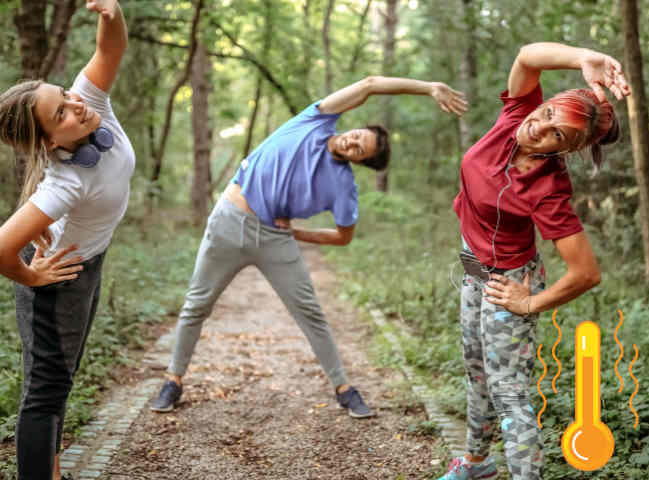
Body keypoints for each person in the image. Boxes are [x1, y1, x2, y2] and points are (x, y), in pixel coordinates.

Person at [151, 76, 468, 418]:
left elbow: (343, 236)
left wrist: (299, 235)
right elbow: (371, 84)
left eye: (360, 150)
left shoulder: (343, 186)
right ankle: (172, 381)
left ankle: (344, 389)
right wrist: (429, 87)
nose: (352, 143)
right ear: (356, 127)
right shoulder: (314, 120)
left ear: (359, 161)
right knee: (196, 304)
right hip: (229, 221)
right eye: (358, 136)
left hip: (275, 239)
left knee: (311, 314)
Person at [438, 42, 629, 480]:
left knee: (509, 391)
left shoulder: (549, 191)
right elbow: (527, 56)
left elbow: (586, 273)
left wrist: (528, 303)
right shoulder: (514, 119)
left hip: (509, 280)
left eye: (556, 134)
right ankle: (477, 463)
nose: (537, 128)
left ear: (566, 150)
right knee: (476, 369)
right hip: (473, 267)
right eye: (545, 115)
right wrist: (584, 58)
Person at [0, 1, 132, 479]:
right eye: (63, 111)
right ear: (52, 142)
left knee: (62, 379)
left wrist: (111, 15)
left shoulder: (89, 105)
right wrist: (32, 275)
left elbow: (109, 50)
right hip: (57, 284)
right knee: (46, 390)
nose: (77, 104)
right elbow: (0, 248)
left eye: (66, 95)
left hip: (88, 263)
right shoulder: (64, 182)